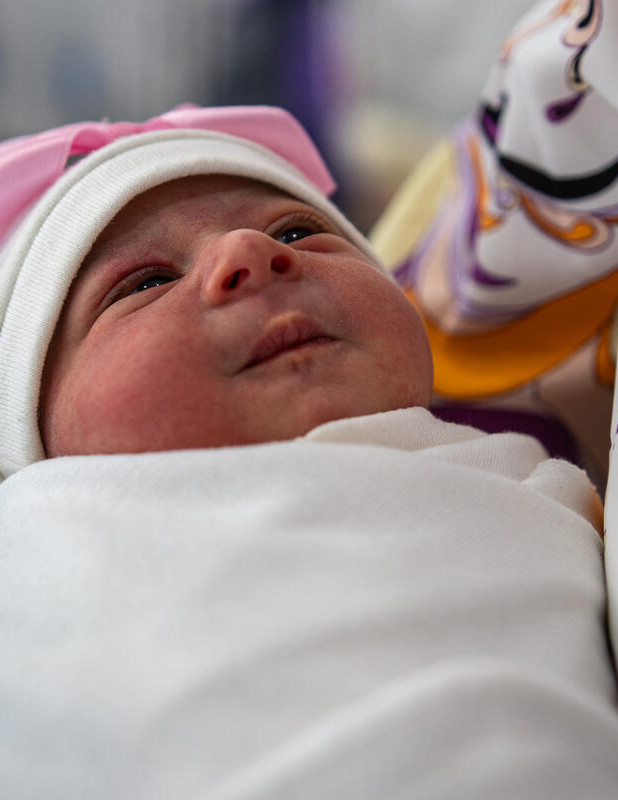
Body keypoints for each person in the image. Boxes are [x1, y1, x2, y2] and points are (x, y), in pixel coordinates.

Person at [2, 5, 618, 799]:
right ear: (31, 437)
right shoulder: (39, 531)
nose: (249, 253)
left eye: (298, 233)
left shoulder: (537, 473)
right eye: (146, 283)